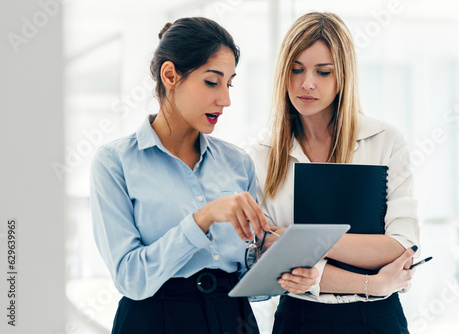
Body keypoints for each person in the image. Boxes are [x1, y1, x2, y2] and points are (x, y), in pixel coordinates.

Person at [90, 17, 319, 334]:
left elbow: (245, 277)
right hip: (154, 321)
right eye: (212, 82)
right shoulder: (115, 163)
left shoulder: (237, 162)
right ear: (170, 75)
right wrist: (204, 217)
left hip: (232, 319)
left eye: (229, 83)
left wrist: (283, 271)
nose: (225, 99)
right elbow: (131, 278)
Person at [249, 12, 420, 333]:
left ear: (343, 76)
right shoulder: (263, 154)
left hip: (377, 320)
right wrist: (373, 282)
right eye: (296, 69)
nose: (306, 83)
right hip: (298, 318)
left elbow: (400, 249)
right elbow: (266, 256)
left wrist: (300, 242)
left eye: (323, 72)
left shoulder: (384, 141)